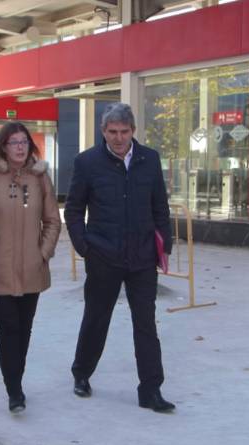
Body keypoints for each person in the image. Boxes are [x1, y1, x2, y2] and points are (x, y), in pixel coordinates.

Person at [64, 102, 175, 413]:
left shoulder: (149, 159)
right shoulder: (87, 162)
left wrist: (164, 244)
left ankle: (151, 389)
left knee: (146, 324)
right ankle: (81, 373)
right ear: (103, 131)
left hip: (142, 257)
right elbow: (73, 210)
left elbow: (160, 206)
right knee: (96, 319)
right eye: (112, 132)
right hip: (103, 256)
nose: (118, 138)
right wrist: (85, 247)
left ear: (133, 131)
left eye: (124, 132)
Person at [0, 122, 60, 413]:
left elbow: (52, 220)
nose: (20, 147)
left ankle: (16, 379)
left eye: (24, 142)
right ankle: (14, 390)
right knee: (7, 327)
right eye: (14, 142)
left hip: (32, 267)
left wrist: (43, 253)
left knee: (24, 328)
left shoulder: (40, 178)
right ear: (3, 146)